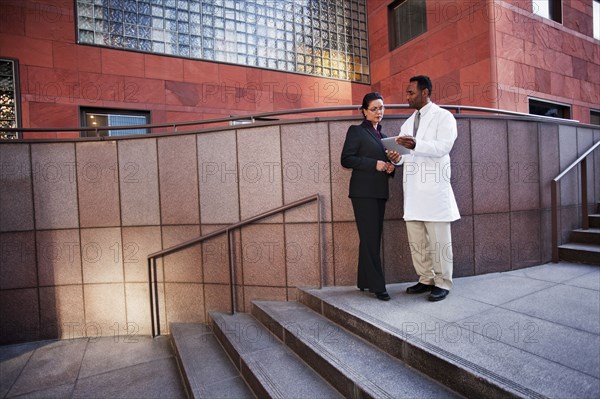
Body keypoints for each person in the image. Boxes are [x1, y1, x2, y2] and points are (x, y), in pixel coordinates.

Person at [386, 75, 460, 302]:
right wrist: (396, 157)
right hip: (414, 192)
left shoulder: (443, 117)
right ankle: (425, 278)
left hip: (434, 191)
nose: (407, 96)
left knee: (439, 242)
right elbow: (406, 156)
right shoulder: (408, 123)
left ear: (425, 92)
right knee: (417, 242)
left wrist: (417, 144)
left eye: (411, 92)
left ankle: (442, 282)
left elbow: (444, 146)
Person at [341, 92, 395, 301]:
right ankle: (377, 285)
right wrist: (375, 164)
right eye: (374, 108)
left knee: (370, 237)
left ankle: (364, 280)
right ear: (363, 111)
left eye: (381, 108)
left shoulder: (383, 137)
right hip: (363, 193)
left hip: (379, 192)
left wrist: (391, 166)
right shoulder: (356, 131)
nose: (379, 112)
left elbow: (387, 166)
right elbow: (346, 159)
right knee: (371, 238)